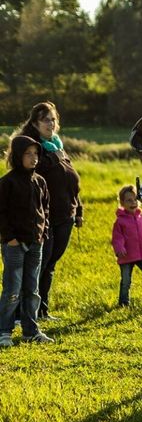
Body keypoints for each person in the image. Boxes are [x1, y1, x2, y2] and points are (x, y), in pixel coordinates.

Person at [16, 102, 83, 321]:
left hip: (67, 213)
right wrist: (54, 158)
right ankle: (24, 312)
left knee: (50, 264)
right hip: (46, 217)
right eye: (46, 120)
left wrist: (79, 208)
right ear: (35, 123)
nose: (51, 124)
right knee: (40, 264)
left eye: (53, 119)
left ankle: (42, 310)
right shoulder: (35, 149)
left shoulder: (56, 145)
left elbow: (70, 179)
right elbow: (36, 173)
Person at [0, 136, 54, 347]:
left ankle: (31, 331)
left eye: (35, 154)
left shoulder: (40, 181)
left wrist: (44, 232)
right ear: (17, 156)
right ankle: (4, 331)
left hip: (36, 243)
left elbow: (45, 209)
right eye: (28, 154)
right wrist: (10, 239)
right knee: (12, 289)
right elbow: (1, 213)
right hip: (14, 244)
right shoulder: (7, 182)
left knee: (32, 290)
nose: (33, 158)